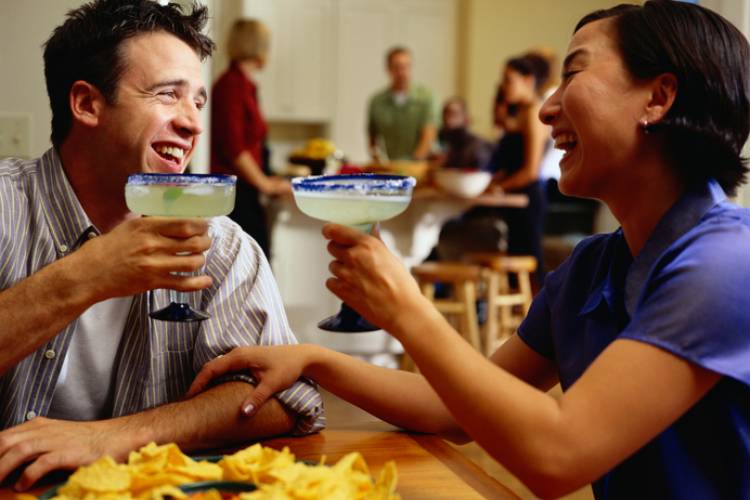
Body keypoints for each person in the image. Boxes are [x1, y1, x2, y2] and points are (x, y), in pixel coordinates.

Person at [187, 1, 750, 498]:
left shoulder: (729, 264)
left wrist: (406, 309)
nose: (545, 109)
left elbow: (559, 456)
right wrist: (311, 359)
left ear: (659, 97)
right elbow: (450, 407)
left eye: (573, 73)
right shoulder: (591, 269)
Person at [0, 0, 323, 490]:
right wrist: (86, 275)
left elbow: (281, 397)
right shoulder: (6, 207)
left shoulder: (224, 245)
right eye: (168, 95)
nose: (192, 123)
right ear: (87, 103)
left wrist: (110, 438)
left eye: (197, 101)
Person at [467, 53, 552, 284]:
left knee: (530, 268)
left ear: (528, 80)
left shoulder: (534, 113)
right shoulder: (519, 113)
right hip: (514, 199)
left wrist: (496, 187)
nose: (504, 86)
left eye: (508, 80)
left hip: (528, 199)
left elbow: (530, 171)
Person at [211, 19, 291, 259]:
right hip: (234, 194)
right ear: (259, 47)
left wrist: (267, 177)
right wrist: (265, 184)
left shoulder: (245, 85)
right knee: (253, 260)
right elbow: (235, 148)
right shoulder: (231, 86)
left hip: (246, 189)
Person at [367, 46, 437, 162]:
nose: (402, 72)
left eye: (406, 66)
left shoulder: (426, 97)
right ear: (388, 69)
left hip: (422, 166)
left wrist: (413, 163)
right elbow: (372, 137)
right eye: (397, 67)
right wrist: (377, 161)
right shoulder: (377, 102)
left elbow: (429, 134)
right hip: (393, 164)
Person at [434, 96, 491, 169]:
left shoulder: (478, 148)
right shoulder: (448, 144)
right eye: (445, 114)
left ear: (466, 119)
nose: (447, 120)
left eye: (453, 114)